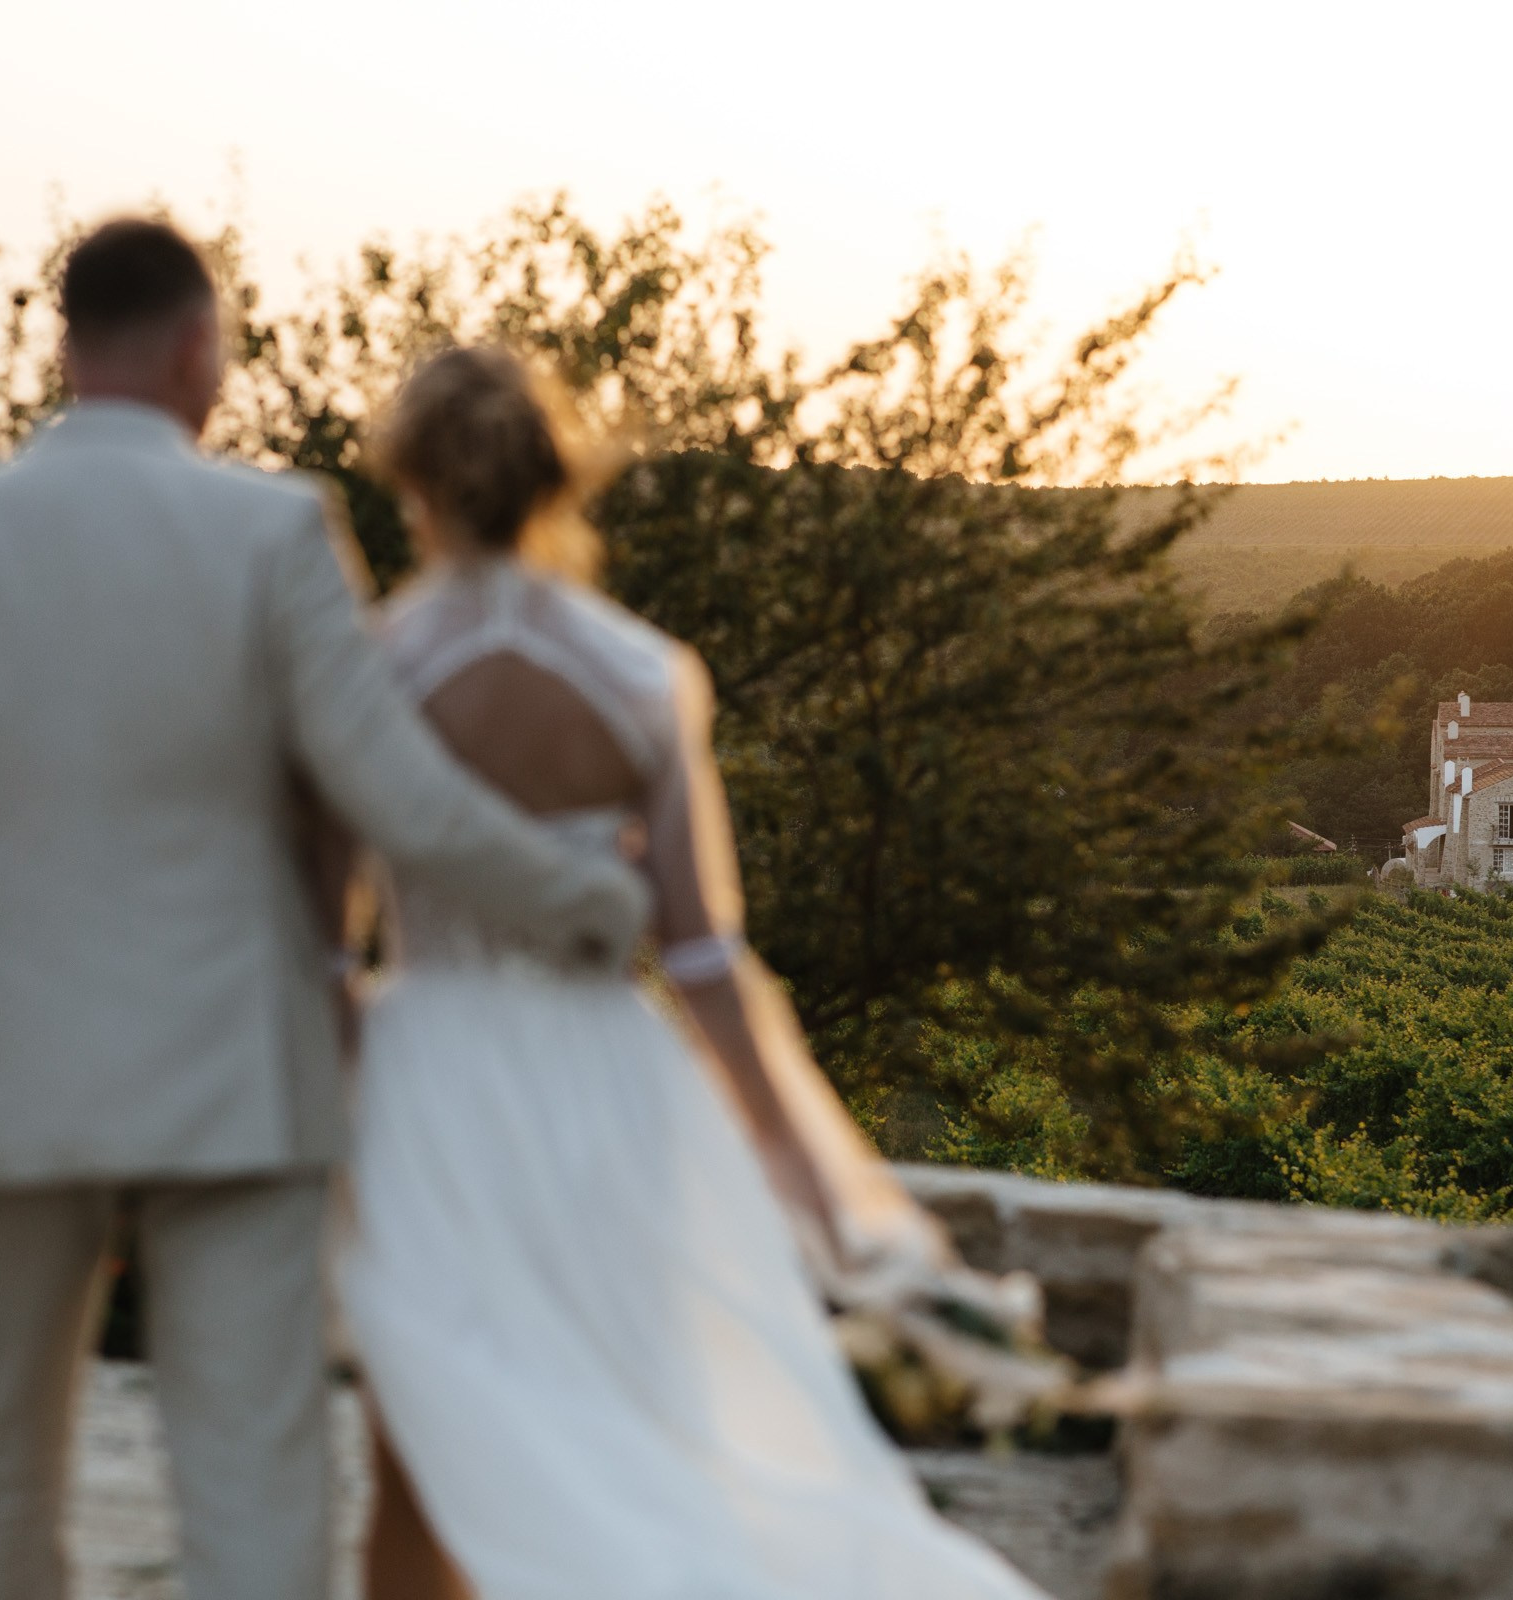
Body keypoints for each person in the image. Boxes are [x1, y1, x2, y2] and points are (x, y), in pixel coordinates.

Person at [0, 222, 649, 1600]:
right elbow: (396, 791)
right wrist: (591, 901)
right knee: (253, 1477)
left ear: (66, 345)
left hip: (6, 1081)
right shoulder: (273, 530)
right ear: (199, 345)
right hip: (234, 1083)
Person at [336, 346, 1053, 1599]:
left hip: (425, 1083)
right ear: (559, 484)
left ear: (415, 487)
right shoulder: (640, 674)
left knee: (427, 1455)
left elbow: (320, 932)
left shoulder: (368, 670)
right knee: (642, 1420)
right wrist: (812, 1176)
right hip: (610, 1085)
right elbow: (707, 955)